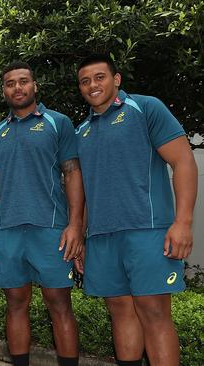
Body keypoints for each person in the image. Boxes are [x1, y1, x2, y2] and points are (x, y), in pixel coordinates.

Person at [75, 54, 197, 366]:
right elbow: (85, 192)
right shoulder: (82, 131)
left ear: (116, 80)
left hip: (148, 231)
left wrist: (183, 222)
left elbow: (183, 161)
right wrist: (82, 236)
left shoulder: (145, 108)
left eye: (100, 77)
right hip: (102, 237)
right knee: (119, 310)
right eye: (85, 81)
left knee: (153, 311)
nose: (93, 85)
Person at [0, 61, 83, 366]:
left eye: (23, 81)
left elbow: (72, 174)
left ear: (35, 86)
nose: (18, 87)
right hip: (7, 231)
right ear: (3, 90)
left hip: (50, 229)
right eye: (11, 83)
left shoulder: (58, 123)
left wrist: (75, 225)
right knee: (15, 303)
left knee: (59, 304)